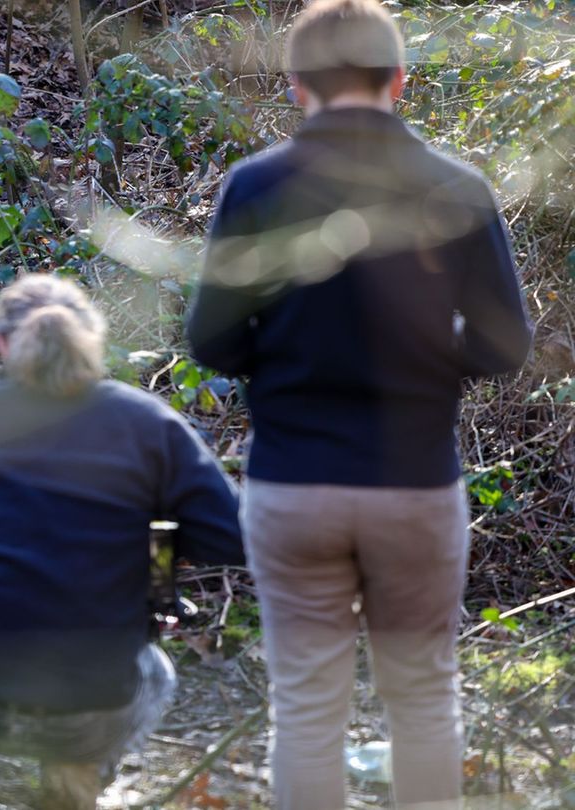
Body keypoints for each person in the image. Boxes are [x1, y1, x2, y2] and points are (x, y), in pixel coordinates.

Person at [186, 2, 533, 808]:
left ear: (299, 86)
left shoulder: (256, 187)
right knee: (422, 700)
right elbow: (506, 345)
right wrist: (432, 364)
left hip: (294, 483)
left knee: (306, 710)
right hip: (413, 481)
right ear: (399, 80)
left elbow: (210, 341)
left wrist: (284, 361)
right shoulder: (456, 188)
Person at [0, 274, 245, 810]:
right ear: (92, 342)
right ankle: (75, 781)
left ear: (1, 344)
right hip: (97, 709)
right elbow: (235, 539)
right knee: (156, 673)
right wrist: (156, 545)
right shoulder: (149, 423)